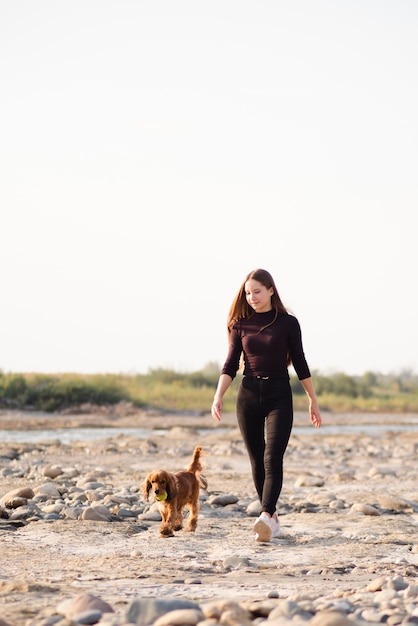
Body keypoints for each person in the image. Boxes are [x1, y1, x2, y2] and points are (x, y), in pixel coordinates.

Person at [211, 268, 321, 542]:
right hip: (248, 395)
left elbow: (300, 362)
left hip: (279, 395)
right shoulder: (240, 325)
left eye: (257, 292)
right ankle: (270, 519)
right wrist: (218, 395)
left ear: (271, 290)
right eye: (248, 293)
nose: (252, 297)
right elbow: (230, 365)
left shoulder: (288, 323)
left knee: (273, 457)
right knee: (257, 459)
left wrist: (312, 400)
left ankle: (266, 513)